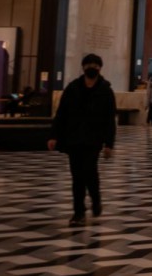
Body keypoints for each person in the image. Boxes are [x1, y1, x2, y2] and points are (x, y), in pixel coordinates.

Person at [47, 53, 116, 227]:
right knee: (77, 176)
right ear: (83, 67)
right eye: (88, 64)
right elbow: (61, 113)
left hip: (93, 140)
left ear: (100, 68)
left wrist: (109, 144)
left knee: (89, 172)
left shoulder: (106, 90)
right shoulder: (73, 88)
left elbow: (109, 119)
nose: (91, 67)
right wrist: (54, 135)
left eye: (95, 64)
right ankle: (79, 211)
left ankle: (96, 199)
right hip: (74, 138)